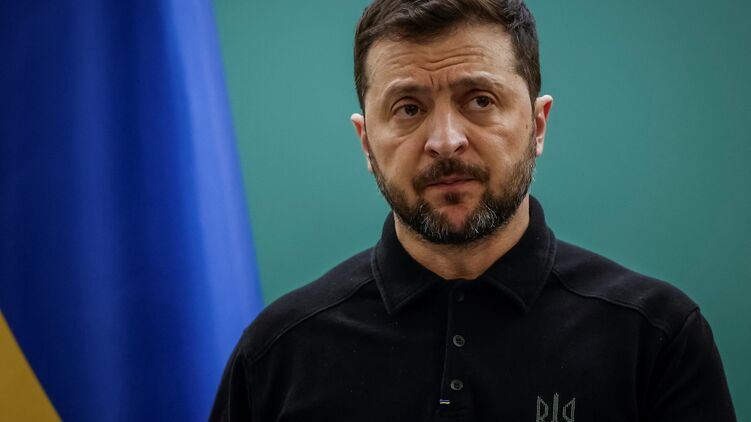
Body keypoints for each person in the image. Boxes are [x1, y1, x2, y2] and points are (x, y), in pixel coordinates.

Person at [210, 0, 737, 420]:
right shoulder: (276, 355)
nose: (445, 140)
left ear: (538, 126)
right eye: (408, 108)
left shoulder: (657, 338)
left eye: (480, 100)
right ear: (366, 143)